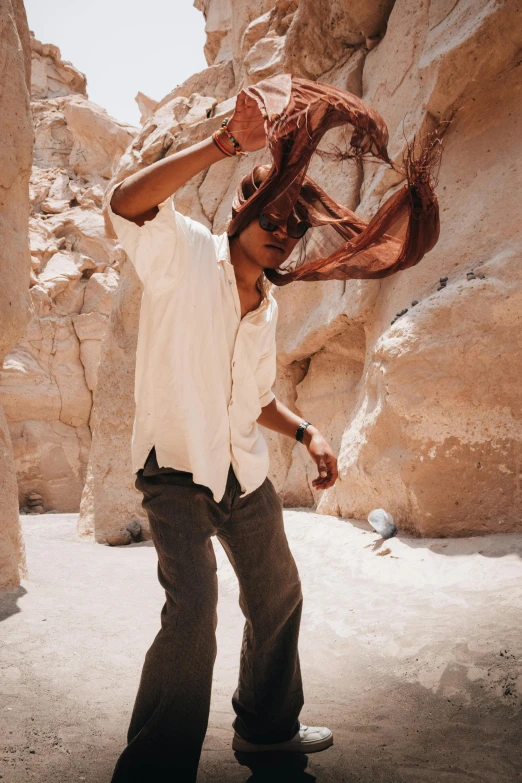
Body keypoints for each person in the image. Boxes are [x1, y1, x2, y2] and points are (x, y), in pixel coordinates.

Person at [107, 92, 338, 783]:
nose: (282, 229)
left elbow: (255, 398)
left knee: (278, 593)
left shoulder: (267, 306)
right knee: (194, 610)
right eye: (273, 213)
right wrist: (224, 144)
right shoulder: (183, 253)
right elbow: (124, 201)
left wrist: (307, 430)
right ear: (245, 209)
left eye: (295, 226)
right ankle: (153, 766)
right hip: (176, 467)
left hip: (243, 472)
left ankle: (268, 728)